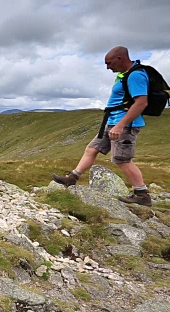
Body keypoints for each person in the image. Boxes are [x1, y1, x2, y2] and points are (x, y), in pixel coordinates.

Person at [51, 46, 152, 206]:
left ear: (120, 59)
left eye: (109, 63)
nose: (107, 67)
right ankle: (71, 179)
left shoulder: (136, 75)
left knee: (122, 159)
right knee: (92, 149)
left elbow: (141, 103)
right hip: (112, 121)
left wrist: (120, 125)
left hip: (124, 125)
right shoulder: (123, 75)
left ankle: (142, 194)